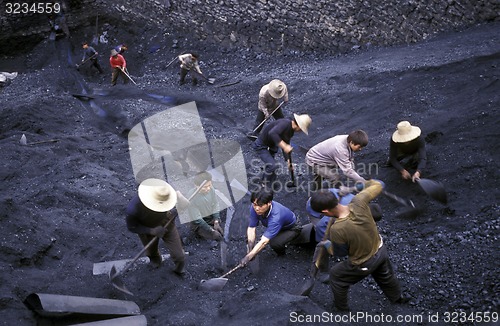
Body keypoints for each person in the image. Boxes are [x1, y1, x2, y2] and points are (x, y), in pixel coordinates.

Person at [310, 180, 410, 311]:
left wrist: (328, 244)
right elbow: (379, 184)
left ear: (325, 210)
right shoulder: (359, 201)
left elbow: (340, 253)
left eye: (322, 213)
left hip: (364, 263)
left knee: (336, 276)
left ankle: (341, 308)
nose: (322, 215)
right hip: (380, 249)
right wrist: (353, 188)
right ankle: (398, 297)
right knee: (385, 276)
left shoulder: (337, 229)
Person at [126, 178, 185, 275]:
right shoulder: (134, 209)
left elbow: (185, 204)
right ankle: (156, 260)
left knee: (179, 256)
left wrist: (179, 205)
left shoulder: (165, 192)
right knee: (151, 252)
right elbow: (132, 227)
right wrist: (151, 231)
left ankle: (179, 269)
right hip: (147, 227)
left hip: (167, 222)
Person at [240, 188, 301, 266]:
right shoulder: (254, 208)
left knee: (275, 243)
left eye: (260, 205)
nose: (257, 208)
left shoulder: (276, 216)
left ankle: (282, 254)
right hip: (279, 226)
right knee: (251, 240)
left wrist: (248, 257)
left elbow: (264, 241)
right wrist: (250, 246)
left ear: (269, 203)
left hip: (292, 228)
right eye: (254, 204)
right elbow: (251, 228)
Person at [253, 114, 312, 189]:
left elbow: (286, 144)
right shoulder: (285, 123)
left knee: (271, 166)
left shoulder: (291, 131)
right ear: (299, 126)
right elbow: (272, 133)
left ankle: (270, 182)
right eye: (301, 129)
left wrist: (288, 161)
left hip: (271, 146)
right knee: (272, 165)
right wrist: (284, 145)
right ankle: (264, 185)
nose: (300, 132)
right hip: (261, 146)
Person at [187, 171, 224, 242]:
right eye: (205, 187)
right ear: (196, 186)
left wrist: (216, 220)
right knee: (215, 237)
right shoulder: (191, 197)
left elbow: (215, 204)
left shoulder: (211, 189)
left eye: (209, 185)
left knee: (221, 232)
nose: (208, 189)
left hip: (210, 218)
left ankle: (213, 225)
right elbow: (197, 219)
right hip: (199, 224)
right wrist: (211, 231)